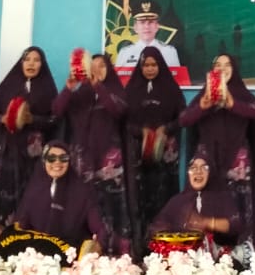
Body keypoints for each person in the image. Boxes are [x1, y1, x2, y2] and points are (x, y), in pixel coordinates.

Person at [179, 54, 255, 241]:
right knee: (208, 203)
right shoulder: (204, 95)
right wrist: (203, 106)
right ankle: (208, 248)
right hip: (209, 160)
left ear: (234, 70)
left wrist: (232, 103)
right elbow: (184, 119)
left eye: (227, 65)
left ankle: (243, 248)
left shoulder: (241, 93)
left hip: (237, 161)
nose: (222, 69)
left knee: (239, 206)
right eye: (218, 65)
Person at [53, 51, 132, 255]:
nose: (96, 69)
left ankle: (115, 253)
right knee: (83, 205)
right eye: (92, 66)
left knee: (111, 207)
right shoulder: (80, 94)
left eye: (101, 66)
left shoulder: (116, 91)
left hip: (109, 164)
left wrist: (99, 86)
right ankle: (82, 253)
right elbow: (57, 110)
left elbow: (119, 110)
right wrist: (68, 88)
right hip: (82, 162)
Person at [0, 46, 57, 238]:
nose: (31, 64)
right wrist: (3, 119)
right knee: (1, 198)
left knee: (30, 196)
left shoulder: (47, 89)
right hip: (5, 153)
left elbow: (55, 120)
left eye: (36, 60)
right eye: (27, 59)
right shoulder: (8, 85)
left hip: (33, 156)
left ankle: (28, 244)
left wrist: (32, 119)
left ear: (42, 64)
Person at [123, 46, 186, 254]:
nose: (150, 69)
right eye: (146, 65)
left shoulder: (171, 89)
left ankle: (165, 247)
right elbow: (124, 122)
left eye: (154, 65)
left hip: (165, 158)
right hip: (138, 157)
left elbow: (183, 117)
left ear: (160, 66)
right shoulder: (131, 90)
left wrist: (165, 130)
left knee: (164, 198)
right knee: (139, 199)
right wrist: (141, 132)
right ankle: (141, 248)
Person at [13, 139, 107, 253]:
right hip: (36, 255)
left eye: (63, 158)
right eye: (51, 158)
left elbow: (99, 228)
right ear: (44, 161)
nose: (57, 162)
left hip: (70, 255)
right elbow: (19, 226)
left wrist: (95, 248)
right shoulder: (34, 190)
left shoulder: (82, 192)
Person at [147, 145, 241, 248]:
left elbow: (236, 224)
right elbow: (156, 227)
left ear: (211, 173)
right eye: (193, 168)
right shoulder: (178, 201)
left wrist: (208, 223)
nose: (198, 172)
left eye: (204, 168)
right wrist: (167, 231)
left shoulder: (222, 198)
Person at [115, 0, 181, 68]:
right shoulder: (125, 53)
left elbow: (176, 74)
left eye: (151, 22)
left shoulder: (169, 51)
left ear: (157, 26)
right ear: (135, 27)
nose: (147, 26)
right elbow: (118, 75)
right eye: (142, 22)